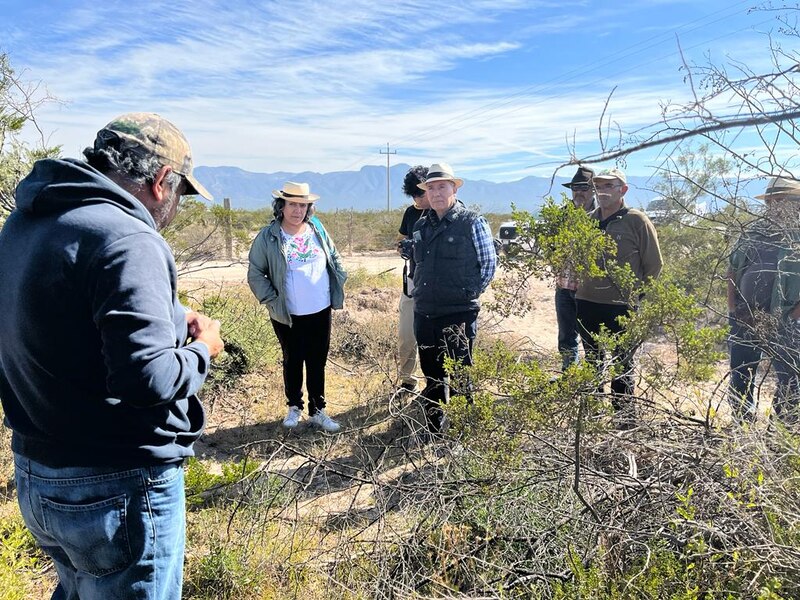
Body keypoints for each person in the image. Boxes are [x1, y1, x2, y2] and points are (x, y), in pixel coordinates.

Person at [0, 112, 224, 599]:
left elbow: (64, 315)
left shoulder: (27, 222)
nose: (175, 209)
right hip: (114, 484)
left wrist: (167, 313)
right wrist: (203, 349)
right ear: (162, 180)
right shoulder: (128, 237)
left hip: (41, 475)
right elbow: (147, 380)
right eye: (181, 195)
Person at [248, 182, 347, 433]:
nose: (297, 210)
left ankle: (318, 410)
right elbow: (256, 273)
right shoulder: (269, 236)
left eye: (303, 205)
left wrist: (340, 276)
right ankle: (294, 406)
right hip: (287, 312)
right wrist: (271, 299)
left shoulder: (317, 229)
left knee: (317, 360)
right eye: (292, 204)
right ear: (281, 206)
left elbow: (333, 256)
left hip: (320, 308)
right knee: (292, 359)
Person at [410, 162, 497, 435]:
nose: (436, 193)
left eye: (442, 187)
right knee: (432, 375)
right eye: (431, 188)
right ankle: (434, 430)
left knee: (461, 376)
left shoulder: (472, 221)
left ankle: (460, 433)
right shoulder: (421, 224)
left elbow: (488, 264)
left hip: (458, 313)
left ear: (454, 189)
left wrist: (468, 294)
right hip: (424, 312)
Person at [575, 167, 663, 424]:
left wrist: (637, 296)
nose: (602, 191)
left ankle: (624, 422)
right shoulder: (588, 220)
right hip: (586, 303)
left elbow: (654, 264)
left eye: (608, 186)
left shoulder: (637, 221)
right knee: (592, 361)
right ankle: (590, 418)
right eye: (599, 186)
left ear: (623, 190)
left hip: (621, 306)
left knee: (622, 365)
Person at [727, 176, 800, 424]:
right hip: (746, 316)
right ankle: (741, 426)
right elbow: (732, 270)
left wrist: (794, 315)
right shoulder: (754, 231)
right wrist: (733, 308)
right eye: (770, 201)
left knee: (790, 379)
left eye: (781, 200)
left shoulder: (798, 237)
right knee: (740, 373)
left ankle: (779, 435)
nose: (774, 206)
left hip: (787, 319)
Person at [556, 165, 596, 371]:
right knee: (566, 336)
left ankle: (592, 384)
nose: (579, 192)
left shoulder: (601, 216)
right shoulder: (562, 215)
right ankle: (569, 377)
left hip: (589, 289)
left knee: (591, 339)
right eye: (575, 188)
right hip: (564, 284)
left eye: (584, 188)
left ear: (594, 190)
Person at [395, 165, 430, 395]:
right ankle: (408, 382)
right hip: (412, 282)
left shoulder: (446, 212)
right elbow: (400, 238)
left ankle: (436, 386)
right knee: (406, 336)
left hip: (437, 286)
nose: (418, 199)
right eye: (414, 195)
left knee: (432, 339)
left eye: (421, 193)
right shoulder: (411, 212)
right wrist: (404, 248)